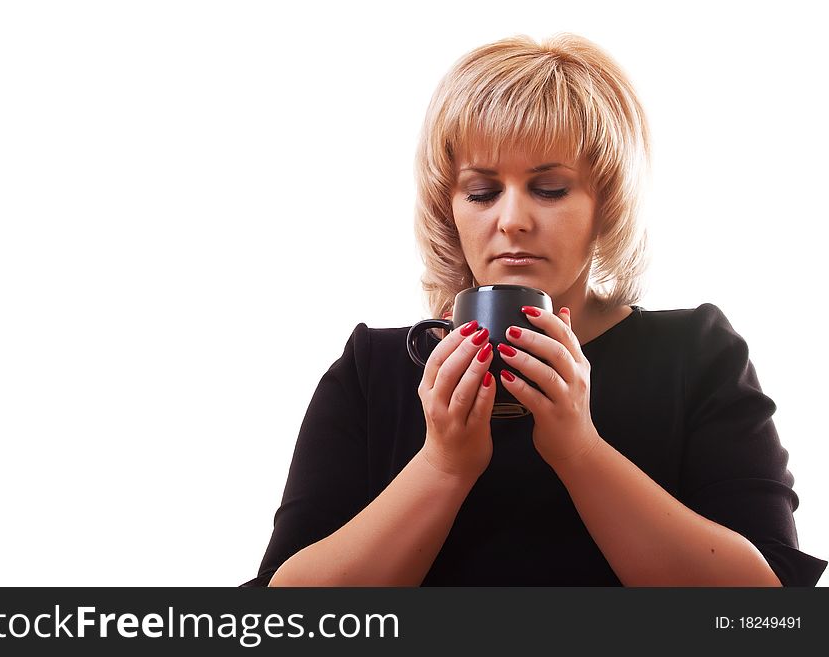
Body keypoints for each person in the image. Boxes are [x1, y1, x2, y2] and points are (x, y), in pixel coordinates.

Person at [242, 33, 827, 586]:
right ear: (450, 209)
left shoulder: (695, 354)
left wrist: (579, 449)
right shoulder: (375, 368)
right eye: (481, 191)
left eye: (549, 188)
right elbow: (283, 616)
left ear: (607, 202)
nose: (513, 219)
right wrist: (444, 466)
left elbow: (767, 611)